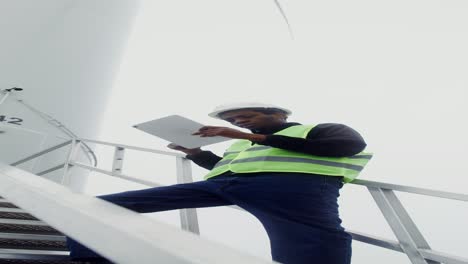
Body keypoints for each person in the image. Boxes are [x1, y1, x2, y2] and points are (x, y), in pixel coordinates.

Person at [67, 102, 372, 264]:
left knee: (313, 249)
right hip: (225, 185)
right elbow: (225, 167)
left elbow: (347, 146)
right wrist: (197, 154)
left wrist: (252, 136)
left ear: (277, 113)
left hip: (293, 191)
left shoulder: (321, 128)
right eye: (234, 122)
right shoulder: (240, 143)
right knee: (102, 206)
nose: (238, 124)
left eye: (246, 117)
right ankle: (91, 258)